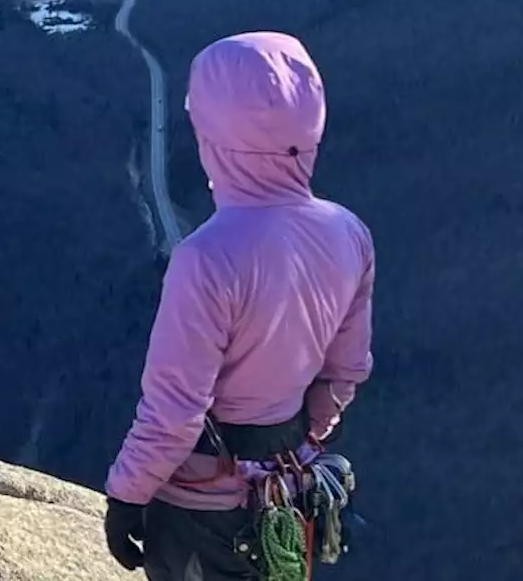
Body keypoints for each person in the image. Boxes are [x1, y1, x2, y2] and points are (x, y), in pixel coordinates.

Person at [103, 31, 375, 579]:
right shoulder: (350, 234)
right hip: (291, 489)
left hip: (202, 509)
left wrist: (127, 493)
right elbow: (345, 371)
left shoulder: (205, 258)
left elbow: (176, 411)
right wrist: (306, 436)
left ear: (215, 138)